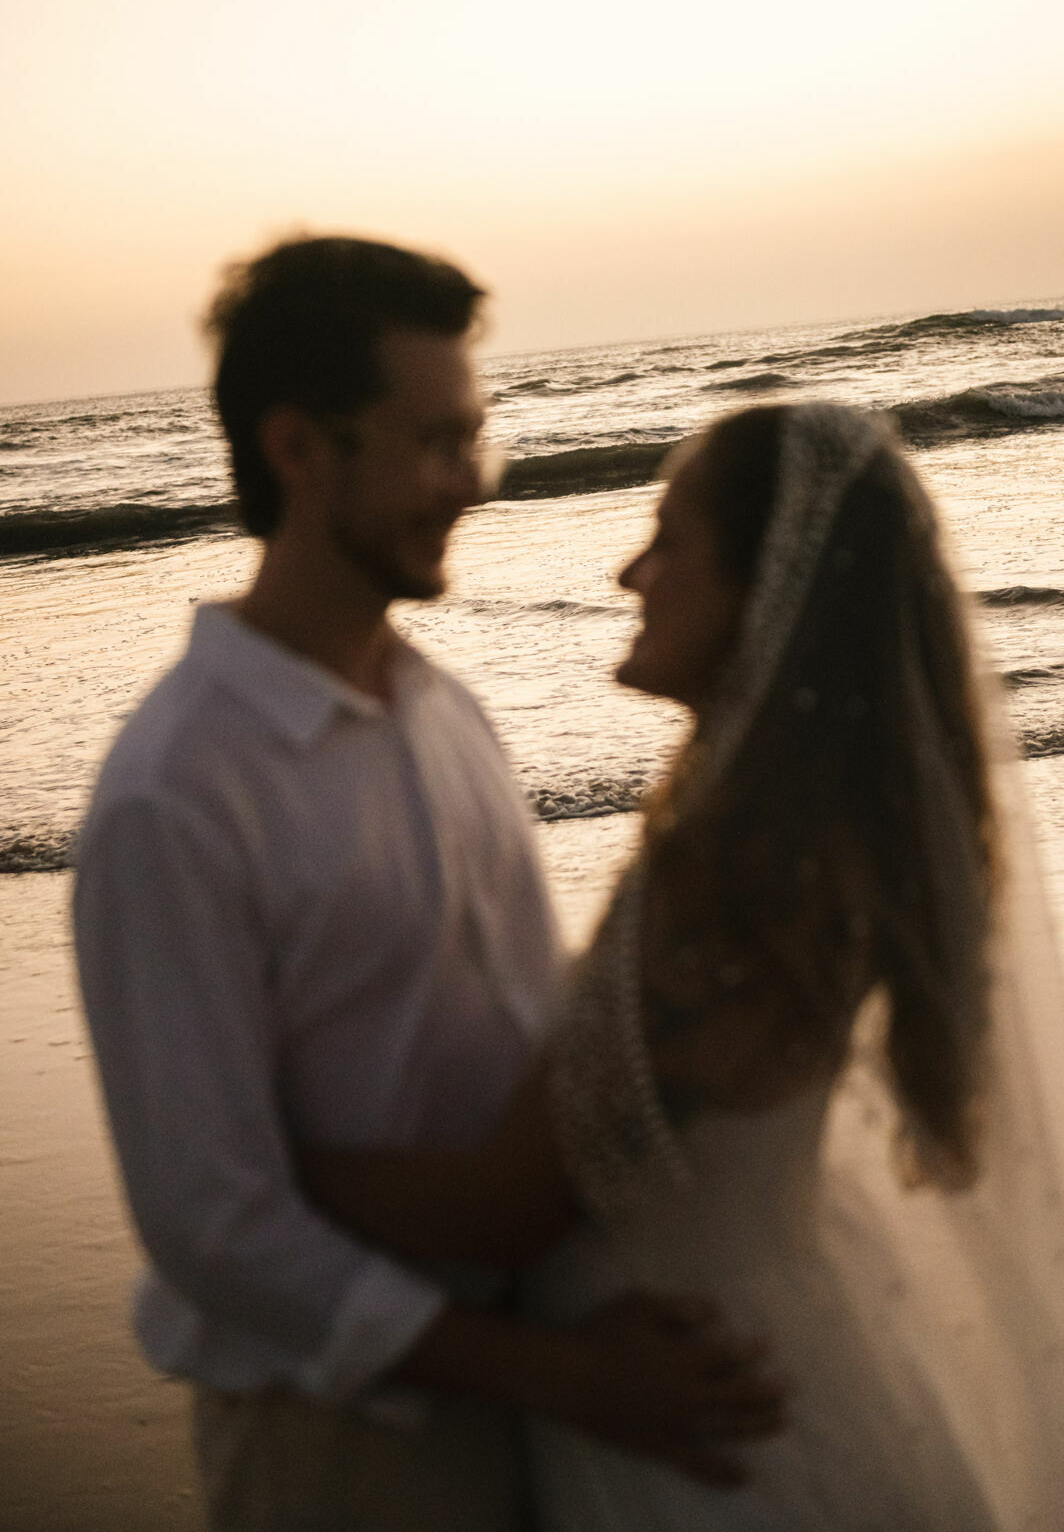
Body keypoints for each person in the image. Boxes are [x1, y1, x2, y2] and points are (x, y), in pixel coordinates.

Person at [72, 236, 782, 1532]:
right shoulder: (174, 795)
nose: (471, 482)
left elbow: (533, 1029)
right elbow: (211, 1229)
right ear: (300, 449)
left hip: (548, 1382)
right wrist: (559, 1373)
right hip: (350, 1446)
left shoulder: (440, 708)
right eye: (435, 442)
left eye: (476, 437)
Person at [304, 402, 1064, 1529]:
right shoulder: (826, 841)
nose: (628, 570)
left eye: (668, 537)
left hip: (694, 1424)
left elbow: (505, 1209)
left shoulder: (732, 886)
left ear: (769, 588)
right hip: (785, 1345)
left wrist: (247, 1165)